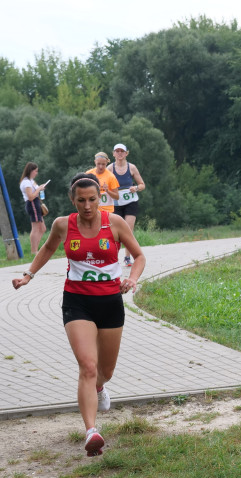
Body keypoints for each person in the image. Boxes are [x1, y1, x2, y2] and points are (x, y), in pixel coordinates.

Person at [11, 174, 145, 456]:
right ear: (73, 200)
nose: (87, 206)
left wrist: (132, 279)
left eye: (92, 200)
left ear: (100, 199)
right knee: (87, 365)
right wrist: (28, 276)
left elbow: (139, 256)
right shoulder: (63, 225)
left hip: (110, 303)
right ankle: (91, 431)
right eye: (81, 200)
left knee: (104, 371)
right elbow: (47, 249)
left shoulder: (115, 223)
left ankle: (99, 387)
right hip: (77, 303)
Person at [111, 143, 146, 265]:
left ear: (126, 153)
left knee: (128, 229)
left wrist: (135, 188)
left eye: (122, 151)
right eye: (117, 151)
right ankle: (113, 258)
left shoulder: (132, 168)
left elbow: (142, 185)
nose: (120, 153)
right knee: (115, 231)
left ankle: (127, 257)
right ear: (113, 153)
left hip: (131, 201)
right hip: (116, 203)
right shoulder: (110, 168)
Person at [19, 162, 49, 255]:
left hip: (36, 204)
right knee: (36, 228)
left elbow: (36, 188)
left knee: (43, 228)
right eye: (35, 171)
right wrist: (38, 189)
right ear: (31, 171)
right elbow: (31, 196)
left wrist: (41, 187)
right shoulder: (26, 182)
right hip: (32, 204)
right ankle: (34, 250)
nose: (37, 173)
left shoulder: (31, 180)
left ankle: (37, 248)